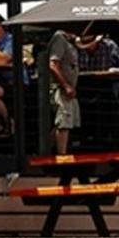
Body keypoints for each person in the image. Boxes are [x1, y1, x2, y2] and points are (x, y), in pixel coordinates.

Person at [47, 26, 81, 155]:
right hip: (61, 89)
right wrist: (65, 85)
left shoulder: (70, 41)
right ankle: (62, 156)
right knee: (63, 122)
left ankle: (46, 150)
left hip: (69, 89)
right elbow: (53, 64)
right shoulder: (59, 38)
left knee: (63, 122)